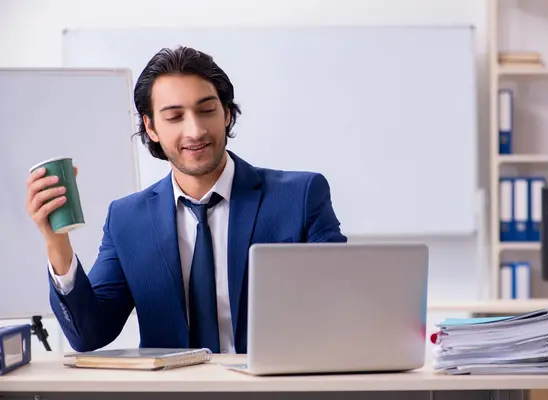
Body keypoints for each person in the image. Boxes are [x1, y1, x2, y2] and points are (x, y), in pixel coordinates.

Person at [25, 46, 347, 354]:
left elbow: (345, 302)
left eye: (207, 110)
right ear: (150, 127)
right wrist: (57, 243)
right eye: (174, 116)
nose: (195, 131)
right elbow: (90, 334)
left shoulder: (300, 196)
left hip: (271, 389)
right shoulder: (127, 218)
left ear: (228, 115)